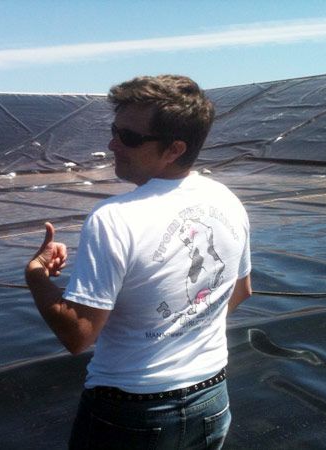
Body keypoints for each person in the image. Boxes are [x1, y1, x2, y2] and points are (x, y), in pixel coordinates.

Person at [25, 74, 252, 449]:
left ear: (174, 149)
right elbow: (241, 291)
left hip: (131, 413)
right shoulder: (226, 199)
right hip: (212, 396)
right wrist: (184, 325)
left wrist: (35, 276)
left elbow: (77, 335)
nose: (112, 143)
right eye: (115, 130)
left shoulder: (113, 218)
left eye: (129, 137)